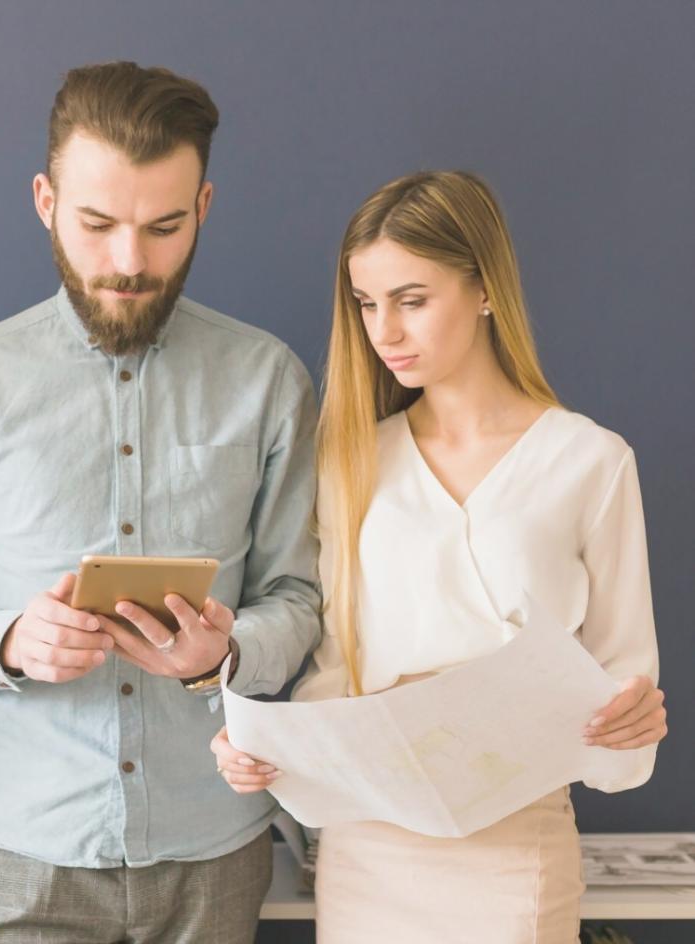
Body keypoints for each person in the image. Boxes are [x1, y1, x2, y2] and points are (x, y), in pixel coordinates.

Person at [0, 62, 322, 944]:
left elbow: (300, 598)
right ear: (45, 201)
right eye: (97, 224)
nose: (129, 263)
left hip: (214, 843)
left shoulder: (268, 379)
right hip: (25, 849)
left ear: (202, 207)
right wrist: (9, 641)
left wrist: (226, 653)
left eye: (163, 227)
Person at [211, 170, 667, 943]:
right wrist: (261, 752)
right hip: (367, 847)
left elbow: (623, 675)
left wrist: (629, 721)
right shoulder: (349, 460)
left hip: (515, 845)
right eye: (366, 304)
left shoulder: (590, 461)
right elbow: (332, 674)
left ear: (483, 288)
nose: (383, 331)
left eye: (411, 300)